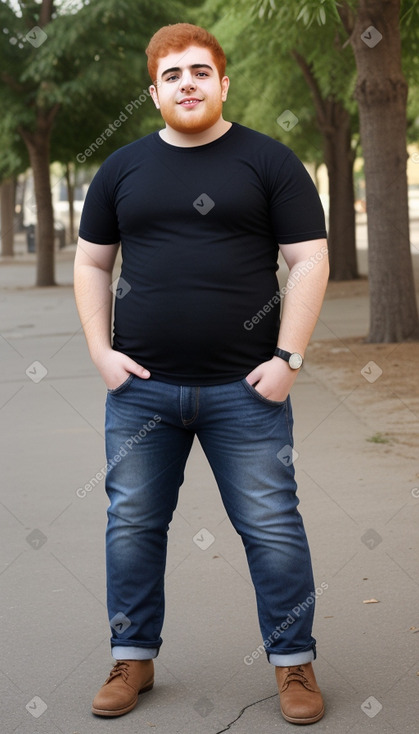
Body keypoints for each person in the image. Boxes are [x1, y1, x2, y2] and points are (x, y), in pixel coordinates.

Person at [74, 22, 329, 726]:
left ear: (223, 82)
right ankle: (132, 657)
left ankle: (292, 662)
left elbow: (308, 259)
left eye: (199, 71)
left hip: (245, 392)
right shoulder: (122, 168)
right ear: (152, 92)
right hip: (141, 393)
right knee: (131, 525)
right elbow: (93, 262)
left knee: (272, 526)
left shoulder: (268, 162)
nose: (186, 82)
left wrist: (287, 360)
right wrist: (100, 352)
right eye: (171, 75)